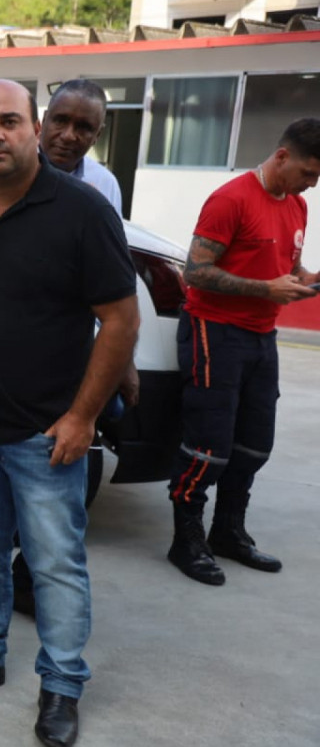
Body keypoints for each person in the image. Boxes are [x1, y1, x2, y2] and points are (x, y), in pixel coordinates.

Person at [0, 80, 138, 747]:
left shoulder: (82, 211)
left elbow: (121, 322)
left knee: (54, 563)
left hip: (46, 432)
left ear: (33, 127)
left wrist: (82, 418)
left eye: (8, 121)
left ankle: (62, 684)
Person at [165, 118, 319, 586]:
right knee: (208, 445)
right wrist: (264, 288)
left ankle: (228, 532)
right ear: (281, 157)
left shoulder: (296, 206)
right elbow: (195, 272)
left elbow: (287, 265)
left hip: (260, 335)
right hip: (215, 330)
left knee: (254, 444)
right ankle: (185, 541)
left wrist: (304, 280)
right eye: (308, 173)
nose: (312, 185)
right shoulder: (231, 199)